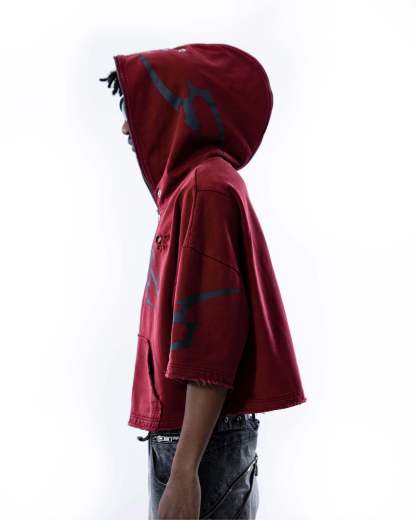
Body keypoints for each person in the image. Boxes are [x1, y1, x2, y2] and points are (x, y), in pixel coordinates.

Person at [99, 42, 307, 520]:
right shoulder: (191, 188)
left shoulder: (206, 189)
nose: (126, 127)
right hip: (195, 443)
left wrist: (185, 471)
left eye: (134, 107)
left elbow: (211, 341)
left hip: (200, 448)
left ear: (173, 108)